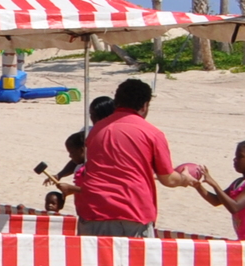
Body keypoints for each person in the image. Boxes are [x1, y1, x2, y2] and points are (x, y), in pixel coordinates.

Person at [75, 77, 204, 237]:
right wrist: (184, 179)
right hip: (132, 209)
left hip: (93, 207)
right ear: (144, 105)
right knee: (135, 262)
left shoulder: (96, 130)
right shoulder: (152, 133)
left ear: (117, 102)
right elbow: (168, 179)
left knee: (94, 261)